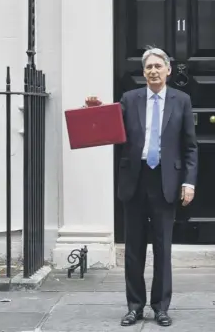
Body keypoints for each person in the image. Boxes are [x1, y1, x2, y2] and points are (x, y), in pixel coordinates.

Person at [86, 46, 198, 327]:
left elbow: (190, 147)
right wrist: (94, 111)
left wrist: (189, 181)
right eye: (148, 67)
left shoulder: (181, 100)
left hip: (166, 181)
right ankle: (134, 306)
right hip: (134, 181)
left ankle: (161, 307)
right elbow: (109, 128)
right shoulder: (129, 99)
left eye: (158, 66)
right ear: (144, 72)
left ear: (168, 70)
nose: (153, 71)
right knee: (134, 249)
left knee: (163, 248)